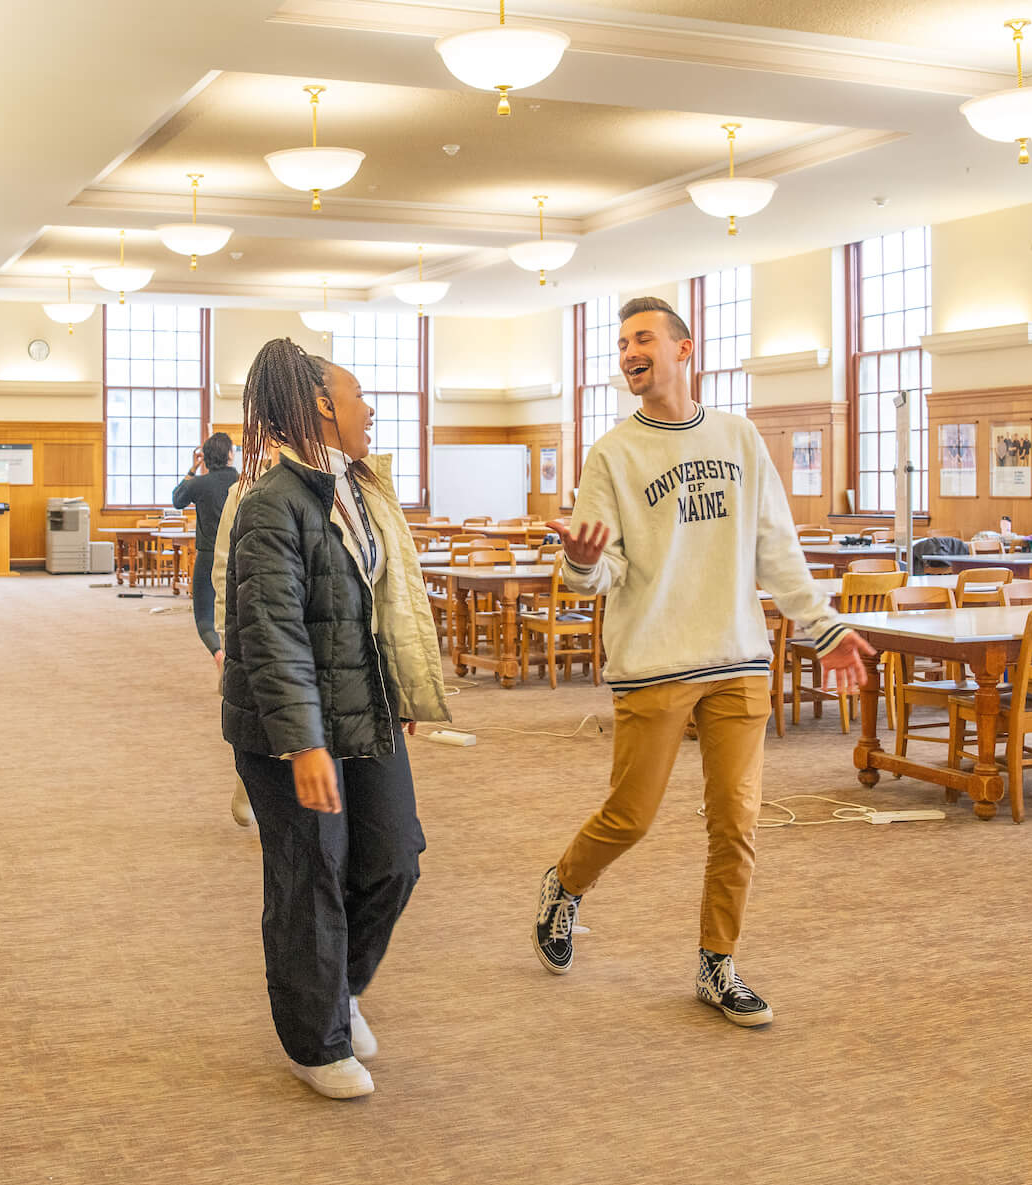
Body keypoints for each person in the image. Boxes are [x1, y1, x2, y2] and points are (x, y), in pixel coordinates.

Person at [530, 296, 872, 1026]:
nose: (628, 352)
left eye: (642, 338)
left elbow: (777, 549)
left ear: (686, 350)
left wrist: (823, 627)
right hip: (654, 660)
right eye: (621, 343)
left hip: (739, 658)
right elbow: (593, 574)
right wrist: (580, 560)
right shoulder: (613, 455)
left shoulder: (741, 439)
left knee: (736, 822)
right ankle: (564, 883)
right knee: (631, 817)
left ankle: (718, 964)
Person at [216, 338, 450, 1099]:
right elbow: (273, 632)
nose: (370, 409)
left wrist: (401, 686)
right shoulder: (271, 504)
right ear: (321, 404)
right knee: (309, 873)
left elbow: (387, 602)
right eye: (358, 396)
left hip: (365, 704)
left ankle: (339, 989)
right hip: (289, 728)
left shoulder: (362, 489)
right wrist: (302, 743)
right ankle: (315, 1043)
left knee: (394, 857)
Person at [171, 434, 249, 827]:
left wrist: (193, 466)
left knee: (204, 618)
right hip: (239, 556)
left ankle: (219, 655)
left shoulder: (201, 483)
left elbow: (175, 498)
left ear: (207, 457)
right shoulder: (242, 479)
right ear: (232, 454)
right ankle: (228, 652)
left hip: (205, 557)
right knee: (232, 614)